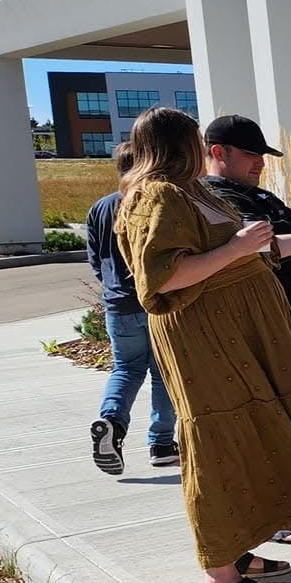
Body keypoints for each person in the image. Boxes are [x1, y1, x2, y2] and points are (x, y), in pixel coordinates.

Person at [114, 106, 291, 583]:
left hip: (238, 336)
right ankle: (219, 576)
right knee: (217, 442)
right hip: (205, 340)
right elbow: (161, 280)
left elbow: (229, 252)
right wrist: (236, 249)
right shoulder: (157, 195)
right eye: (194, 138)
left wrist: (264, 247)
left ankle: (238, 552)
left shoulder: (191, 190)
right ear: (179, 144)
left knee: (249, 436)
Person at [200, 113, 291, 402]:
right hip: (270, 339)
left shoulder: (264, 197)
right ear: (218, 152)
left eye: (262, 155)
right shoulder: (216, 198)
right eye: (250, 154)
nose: (261, 163)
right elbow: (266, 248)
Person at [86, 144, 178, 476]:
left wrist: (112, 286)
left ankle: (111, 420)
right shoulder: (149, 202)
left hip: (117, 305)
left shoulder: (99, 207)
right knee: (163, 375)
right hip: (153, 301)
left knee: (125, 369)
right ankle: (162, 443)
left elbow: (96, 260)